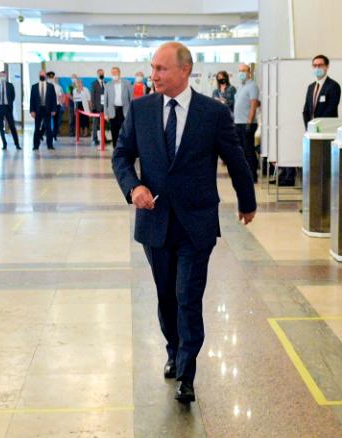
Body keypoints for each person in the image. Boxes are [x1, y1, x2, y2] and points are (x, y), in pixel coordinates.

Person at [112, 42, 256, 404]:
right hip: (155, 221)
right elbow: (122, 155)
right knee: (165, 296)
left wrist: (247, 200)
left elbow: (235, 159)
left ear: (184, 70)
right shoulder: (141, 109)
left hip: (197, 222)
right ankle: (173, 350)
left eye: (161, 68)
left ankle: (187, 371)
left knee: (187, 296)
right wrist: (134, 188)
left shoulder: (213, 113)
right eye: (152, 67)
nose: (153, 75)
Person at [278, 54, 342, 187]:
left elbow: (330, 110)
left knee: (325, 166)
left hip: (326, 133)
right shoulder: (311, 87)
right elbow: (306, 110)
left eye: (320, 65)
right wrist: (310, 128)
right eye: (315, 65)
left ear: (327, 67)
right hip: (312, 134)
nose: (317, 68)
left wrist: (318, 128)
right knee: (314, 166)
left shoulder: (333, 86)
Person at [233, 64, 260, 183]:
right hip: (238, 122)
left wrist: (249, 122)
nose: (241, 73)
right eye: (239, 71)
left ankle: (252, 176)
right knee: (242, 150)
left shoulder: (252, 86)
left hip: (247, 123)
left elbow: (253, 105)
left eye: (243, 71)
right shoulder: (241, 86)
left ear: (249, 72)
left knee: (248, 150)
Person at [104, 67, 133, 151]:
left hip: (124, 110)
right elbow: (106, 100)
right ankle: (115, 148)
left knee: (124, 130)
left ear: (119, 73)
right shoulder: (108, 84)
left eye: (116, 73)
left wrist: (131, 112)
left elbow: (131, 98)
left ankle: (124, 147)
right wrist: (106, 113)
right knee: (114, 130)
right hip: (112, 111)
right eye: (112, 73)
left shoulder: (127, 83)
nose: (114, 75)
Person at [29, 70, 57, 151]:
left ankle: (50, 145)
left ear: (45, 76)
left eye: (43, 75)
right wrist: (32, 110)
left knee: (48, 128)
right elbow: (32, 100)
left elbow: (53, 99)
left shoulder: (50, 86)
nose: (42, 76)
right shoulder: (34, 87)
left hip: (47, 109)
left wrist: (54, 109)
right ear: (39, 75)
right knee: (37, 128)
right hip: (37, 110)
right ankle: (35, 145)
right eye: (40, 74)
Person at [0, 71, 20, 150]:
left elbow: (13, 96)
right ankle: (4, 144)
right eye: (1, 75)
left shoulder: (10, 86)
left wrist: (8, 104)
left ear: (6, 76)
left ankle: (17, 144)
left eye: (3, 75)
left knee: (12, 126)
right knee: (1, 127)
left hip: (8, 108)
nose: (2, 77)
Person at [90, 68, 106, 146]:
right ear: (97, 74)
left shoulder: (105, 83)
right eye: (100, 73)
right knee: (95, 124)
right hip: (96, 108)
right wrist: (93, 108)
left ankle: (102, 138)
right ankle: (94, 139)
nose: (101, 74)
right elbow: (92, 96)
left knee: (103, 124)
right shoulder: (94, 83)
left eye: (102, 73)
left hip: (104, 107)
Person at [47, 71, 63, 142]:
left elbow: (60, 96)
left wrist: (61, 104)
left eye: (52, 77)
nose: (51, 78)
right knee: (46, 121)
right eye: (49, 77)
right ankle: (44, 134)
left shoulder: (57, 86)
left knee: (56, 121)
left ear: (53, 77)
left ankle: (54, 135)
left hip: (56, 105)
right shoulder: (45, 85)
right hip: (47, 106)